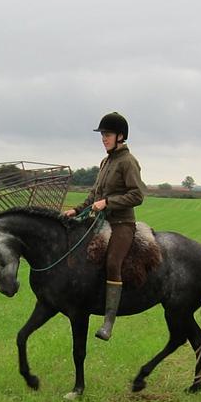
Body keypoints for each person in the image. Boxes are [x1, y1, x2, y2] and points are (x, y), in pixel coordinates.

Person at [63, 111, 145, 341]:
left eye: (107, 134)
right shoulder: (106, 161)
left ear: (120, 136)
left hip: (122, 223)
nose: (103, 138)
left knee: (112, 262)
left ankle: (109, 320)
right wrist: (77, 210)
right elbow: (94, 194)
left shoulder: (128, 162)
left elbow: (137, 195)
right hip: (100, 221)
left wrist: (109, 202)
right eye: (102, 135)